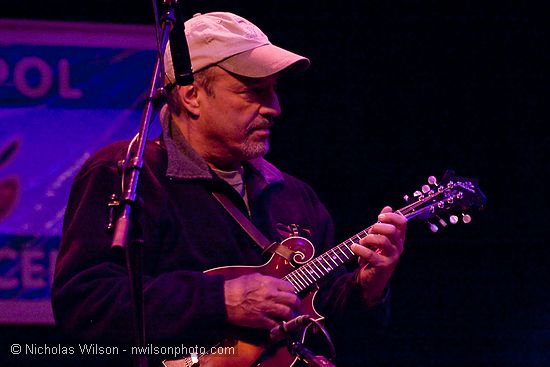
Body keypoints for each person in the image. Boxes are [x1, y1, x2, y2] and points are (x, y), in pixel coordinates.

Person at [51, 11, 407, 367]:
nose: (274, 108)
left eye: (273, 91)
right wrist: (222, 301)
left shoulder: (293, 196)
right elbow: (85, 304)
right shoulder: (129, 174)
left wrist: (367, 290)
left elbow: (333, 332)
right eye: (252, 91)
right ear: (192, 96)